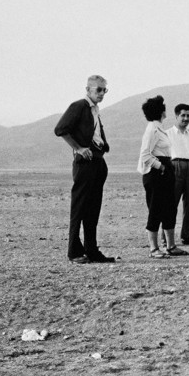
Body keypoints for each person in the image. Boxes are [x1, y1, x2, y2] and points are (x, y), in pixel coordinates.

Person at [54, 75, 115, 264]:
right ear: (88, 89)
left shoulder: (95, 110)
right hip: (85, 163)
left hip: (98, 161)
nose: (102, 93)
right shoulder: (79, 106)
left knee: (93, 209)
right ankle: (74, 251)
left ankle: (92, 250)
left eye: (104, 90)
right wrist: (79, 148)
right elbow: (60, 129)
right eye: (98, 89)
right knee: (79, 208)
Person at [137, 95, 188, 258]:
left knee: (169, 208)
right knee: (156, 209)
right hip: (156, 174)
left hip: (165, 172)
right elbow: (145, 154)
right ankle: (153, 248)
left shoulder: (159, 129)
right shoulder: (152, 129)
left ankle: (171, 245)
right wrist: (161, 166)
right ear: (161, 111)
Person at [167, 104, 189, 247]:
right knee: (171, 204)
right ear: (176, 116)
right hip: (176, 167)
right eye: (183, 115)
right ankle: (167, 238)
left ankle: (187, 235)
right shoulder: (168, 133)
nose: (186, 118)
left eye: (188, 115)